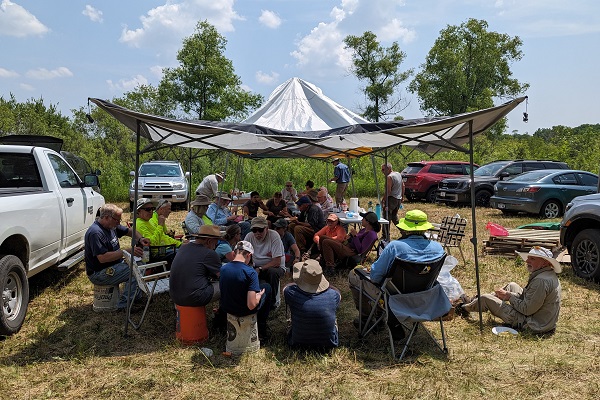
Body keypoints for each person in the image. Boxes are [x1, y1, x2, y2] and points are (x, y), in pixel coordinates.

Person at [348, 209, 444, 339]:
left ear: (405, 229)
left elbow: (375, 277)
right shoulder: (438, 248)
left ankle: (367, 319)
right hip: (425, 298)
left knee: (354, 275)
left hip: (394, 297)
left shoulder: (395, 247)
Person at [456, 246, 562, 335]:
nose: (527, 261)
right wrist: (509, 295)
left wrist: (509, 297)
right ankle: (475, 301)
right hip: (541, 320)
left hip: (533, 325)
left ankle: (463, 308)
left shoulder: (541, 281)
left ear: (545, 263)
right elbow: (530, 299)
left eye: (532, 259)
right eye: (528, 258)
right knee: (512, 285)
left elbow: (527, 310)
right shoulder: (547, 274)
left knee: (486, 299)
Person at [84, 204, 149, 310]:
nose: (119, 223)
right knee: (134, 271)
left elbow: (129, 231)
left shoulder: (111, 225)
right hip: (99, 273)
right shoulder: (95, 233)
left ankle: (134, 298)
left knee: (141, 264)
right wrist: (127, 251)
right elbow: (103, 258)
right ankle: (125, 304)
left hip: (114, 265)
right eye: (117, 220)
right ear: (106, 217)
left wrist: (140, 239)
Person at [219, 240, 272, 341]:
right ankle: (261, 327)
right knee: (267, 288)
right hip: (243, 311)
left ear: (234, 253)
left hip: (227, 308)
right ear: (249, 255)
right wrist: (259, 295)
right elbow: (251, 305)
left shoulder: (223, 269)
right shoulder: (251, 273)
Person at [283, 259, 341, 351]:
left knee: (291, 309)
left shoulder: (291, 293)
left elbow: (286, 287)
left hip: (297, 342)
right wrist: (326, 285)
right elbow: (338, 292)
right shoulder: (334, 295)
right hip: (329, 343)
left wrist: (297, 283)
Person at [169, 225, 222, 310]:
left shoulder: (183, 247)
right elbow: (222, 276)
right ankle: (222, 316)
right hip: (194, 297)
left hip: (174, 295)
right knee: (228, 284)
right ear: (209, 241)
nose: (215, 247)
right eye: (215, 243)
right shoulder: (209, 253)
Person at [244, 216, 285, 307]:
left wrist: (260, 269)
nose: (257, 233)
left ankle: (271, 302)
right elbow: (243, 255)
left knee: (272, 272)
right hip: (255, 266)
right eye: (254, 230)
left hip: (273, 267)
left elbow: (277, 262)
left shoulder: (274, 236)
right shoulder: (249, 236)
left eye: (260, 230)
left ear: (267, 228)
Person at [134, 198, 184, 265]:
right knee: (183, 254)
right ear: (139, 211)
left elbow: (163, 237)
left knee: (186, 249)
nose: (151, 211)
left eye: (153, 209)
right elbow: (152, 243)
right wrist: (160, 226)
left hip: (162, 249)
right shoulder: (139, 224)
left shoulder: (148, 221)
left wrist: (179, 244)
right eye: (148, 209)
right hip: (153, 254)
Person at [381, 163, 404, 238]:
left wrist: (383, 200)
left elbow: (388, 191)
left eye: (383, 169)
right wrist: (402, 197)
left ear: (389, 169)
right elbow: (403, 186)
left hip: (391, 199)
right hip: (398, 199)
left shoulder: (389, 177)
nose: (382, 171)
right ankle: (404, 231)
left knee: (386, 217)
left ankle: (385, 236)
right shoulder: (398, 174)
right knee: (394, 217)